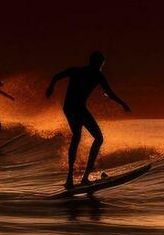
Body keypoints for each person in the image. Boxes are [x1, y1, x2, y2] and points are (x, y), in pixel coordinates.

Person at [46, 51, 130, 189]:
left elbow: (56, 77)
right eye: (101, 63)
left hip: (69, 107)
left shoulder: (76, 70)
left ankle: (70, 179)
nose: (102, 66)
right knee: (98, 138)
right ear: (97, 63)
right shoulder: (97, 74)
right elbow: (108, 93)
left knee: (77, 137)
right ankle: (84, 178)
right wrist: (122, 103)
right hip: (77, 108)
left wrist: (50, 87)